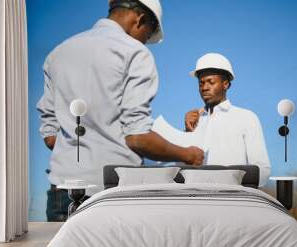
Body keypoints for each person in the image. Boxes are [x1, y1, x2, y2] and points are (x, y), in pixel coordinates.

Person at [37, 0, 204, 221]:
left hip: (62, 192)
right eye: (147, 35)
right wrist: (188, 154)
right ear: (140, 20)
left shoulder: (58, 54)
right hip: (113, 193)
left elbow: (50, 136)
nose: (144, 42)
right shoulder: (135, 53)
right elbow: (137, 138)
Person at [184, 53, 271, 186]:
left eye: (211, 82)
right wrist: (186, 133)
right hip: (198, 201)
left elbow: (263, 171)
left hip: (234, 201)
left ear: (226, 84)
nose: (205, 87)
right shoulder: (195, 122)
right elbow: (181, 170)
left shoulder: (246, 118)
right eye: (201, 83)